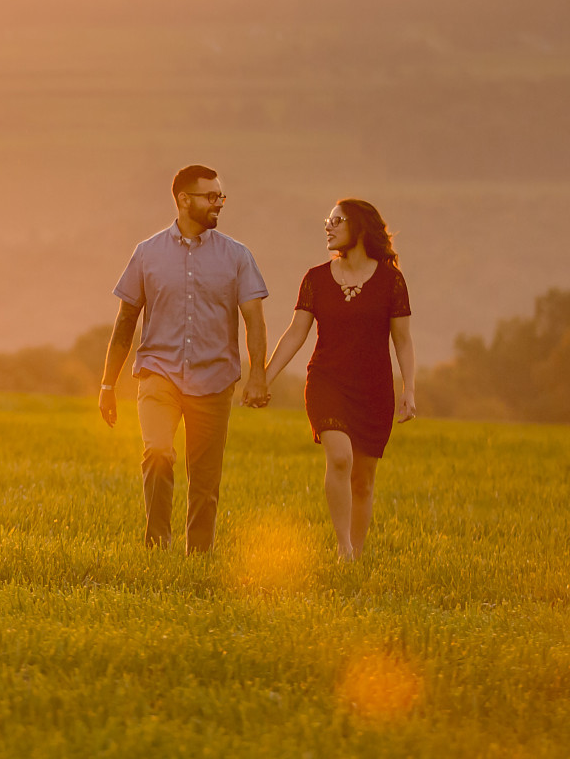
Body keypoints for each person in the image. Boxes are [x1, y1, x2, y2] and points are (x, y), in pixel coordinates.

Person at [99, 165, 271, 552]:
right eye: (211, 196)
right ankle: (158, 545)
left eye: (220, 196)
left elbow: (254, 320)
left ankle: (198, 557)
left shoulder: (237, 256)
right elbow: (126, 320)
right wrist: (108, 383)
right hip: (159, 373)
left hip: (214, 379)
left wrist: (257, 375)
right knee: (158, 452)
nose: (218, 204)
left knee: (205, 481)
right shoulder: (147, 253)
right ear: (183, 200)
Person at [262, 198, 417, 561]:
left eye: (337, 220)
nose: (328, 227)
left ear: (359, 228)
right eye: (327, 221)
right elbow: (296, 333)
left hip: (374, 389)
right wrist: (264, 378)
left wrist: (409, 389)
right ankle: (342, 547)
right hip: (327, 382)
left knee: (362, 480)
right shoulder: (315, 279)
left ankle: (356, 556)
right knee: (341, 458)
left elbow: (403, 341)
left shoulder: (391, 281)